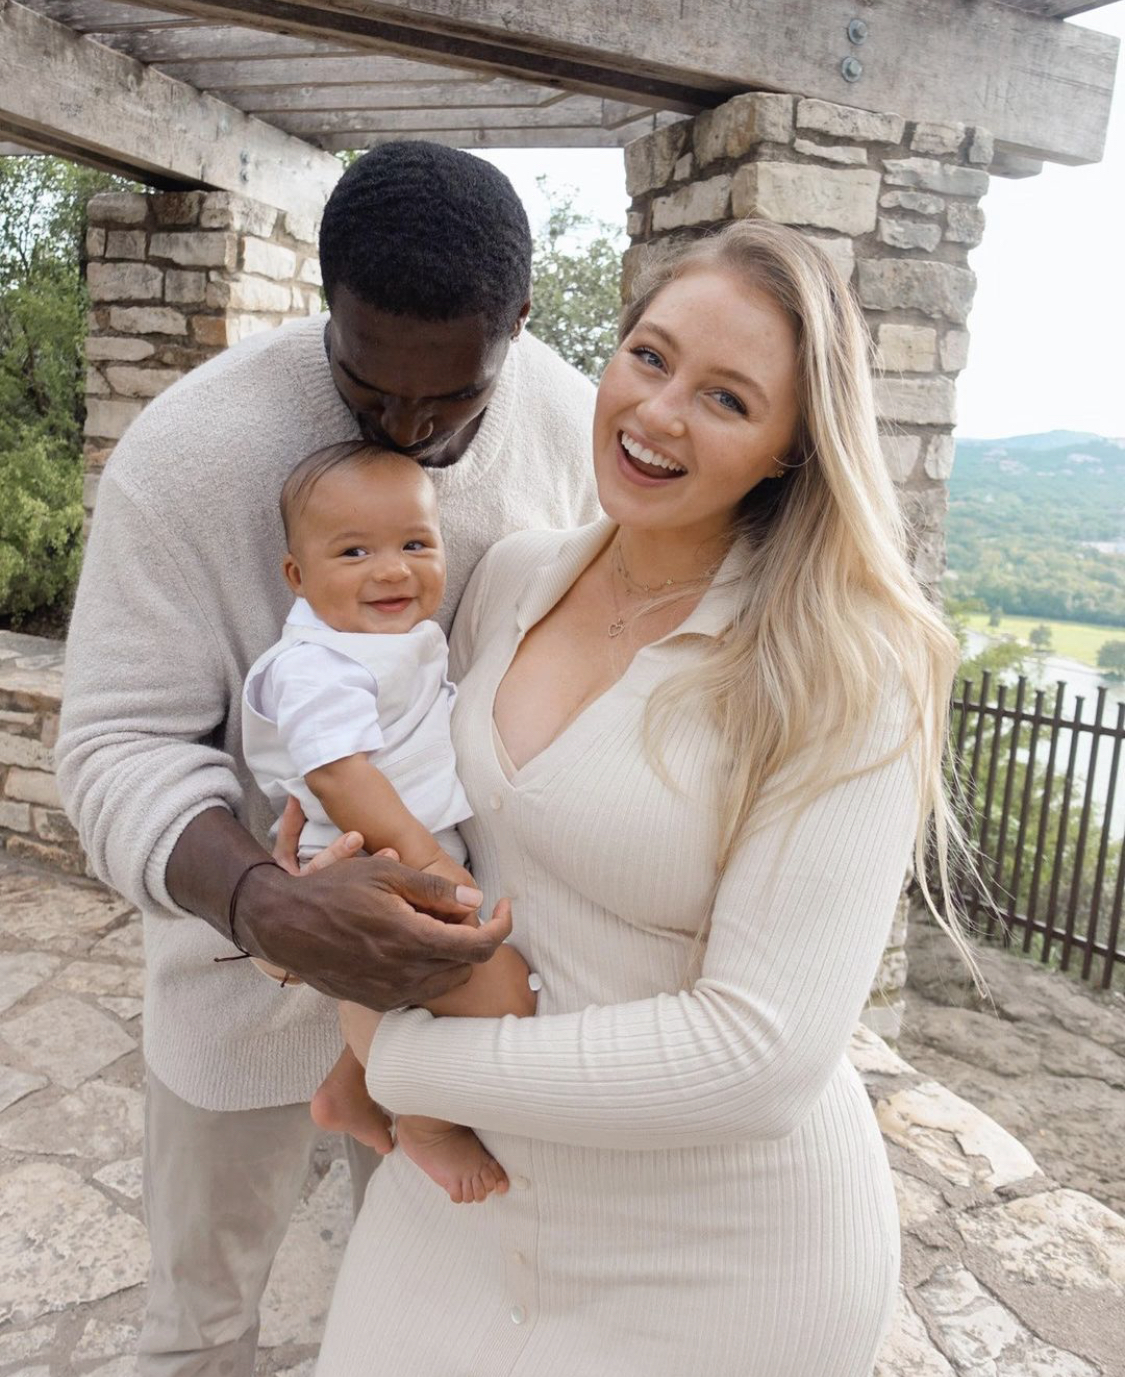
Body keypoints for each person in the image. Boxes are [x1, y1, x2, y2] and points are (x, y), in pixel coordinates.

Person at [308, 219, 975, 1376]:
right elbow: (447, 830)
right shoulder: (515, 576)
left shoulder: (847, 668)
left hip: (716, 1261)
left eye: (726, 398)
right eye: (651, 356)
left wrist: (399, 1066)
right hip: (468, 1197)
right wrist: (326, 903)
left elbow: (758, 1056)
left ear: (790, 449)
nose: (658, 412)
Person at [55, 141, 600, 1376]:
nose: (408, 427)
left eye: (451, 398)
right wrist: (266, 904)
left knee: (432, 1332)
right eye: (367, 388)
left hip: (460, 997)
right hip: (232, 996)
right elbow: (116, 741)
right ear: (324, 297)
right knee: (198, 1334)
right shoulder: (187, 454)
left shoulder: (575, 437)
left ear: (519, 320)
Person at [243, 440, 536, 1202]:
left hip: (409, 847)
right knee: (500, 993)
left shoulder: (388, 642)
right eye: (354, 552)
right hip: (371, 858)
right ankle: (426, 1121)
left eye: (415, 544)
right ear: (297, 577)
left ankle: (349, 1085)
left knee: (410, 991)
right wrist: (425, 862)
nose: (392, 570)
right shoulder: (317, 663)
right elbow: (338, 774)